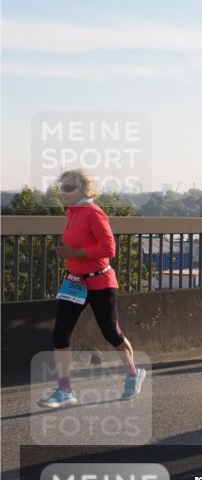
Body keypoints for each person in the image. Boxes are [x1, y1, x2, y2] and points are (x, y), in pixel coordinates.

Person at [38, 169, 144, 409]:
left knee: (111, 333)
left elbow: (109, 249)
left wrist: (74, 253)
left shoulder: (94, 213)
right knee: (60, 334)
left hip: (100, 281)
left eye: (68, 188)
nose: (62, 192)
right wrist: (68, 255)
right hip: (75, 282)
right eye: (61, 187)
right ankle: (64, 390)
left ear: (85, 189)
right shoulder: (72, 214)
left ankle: (133, 373)